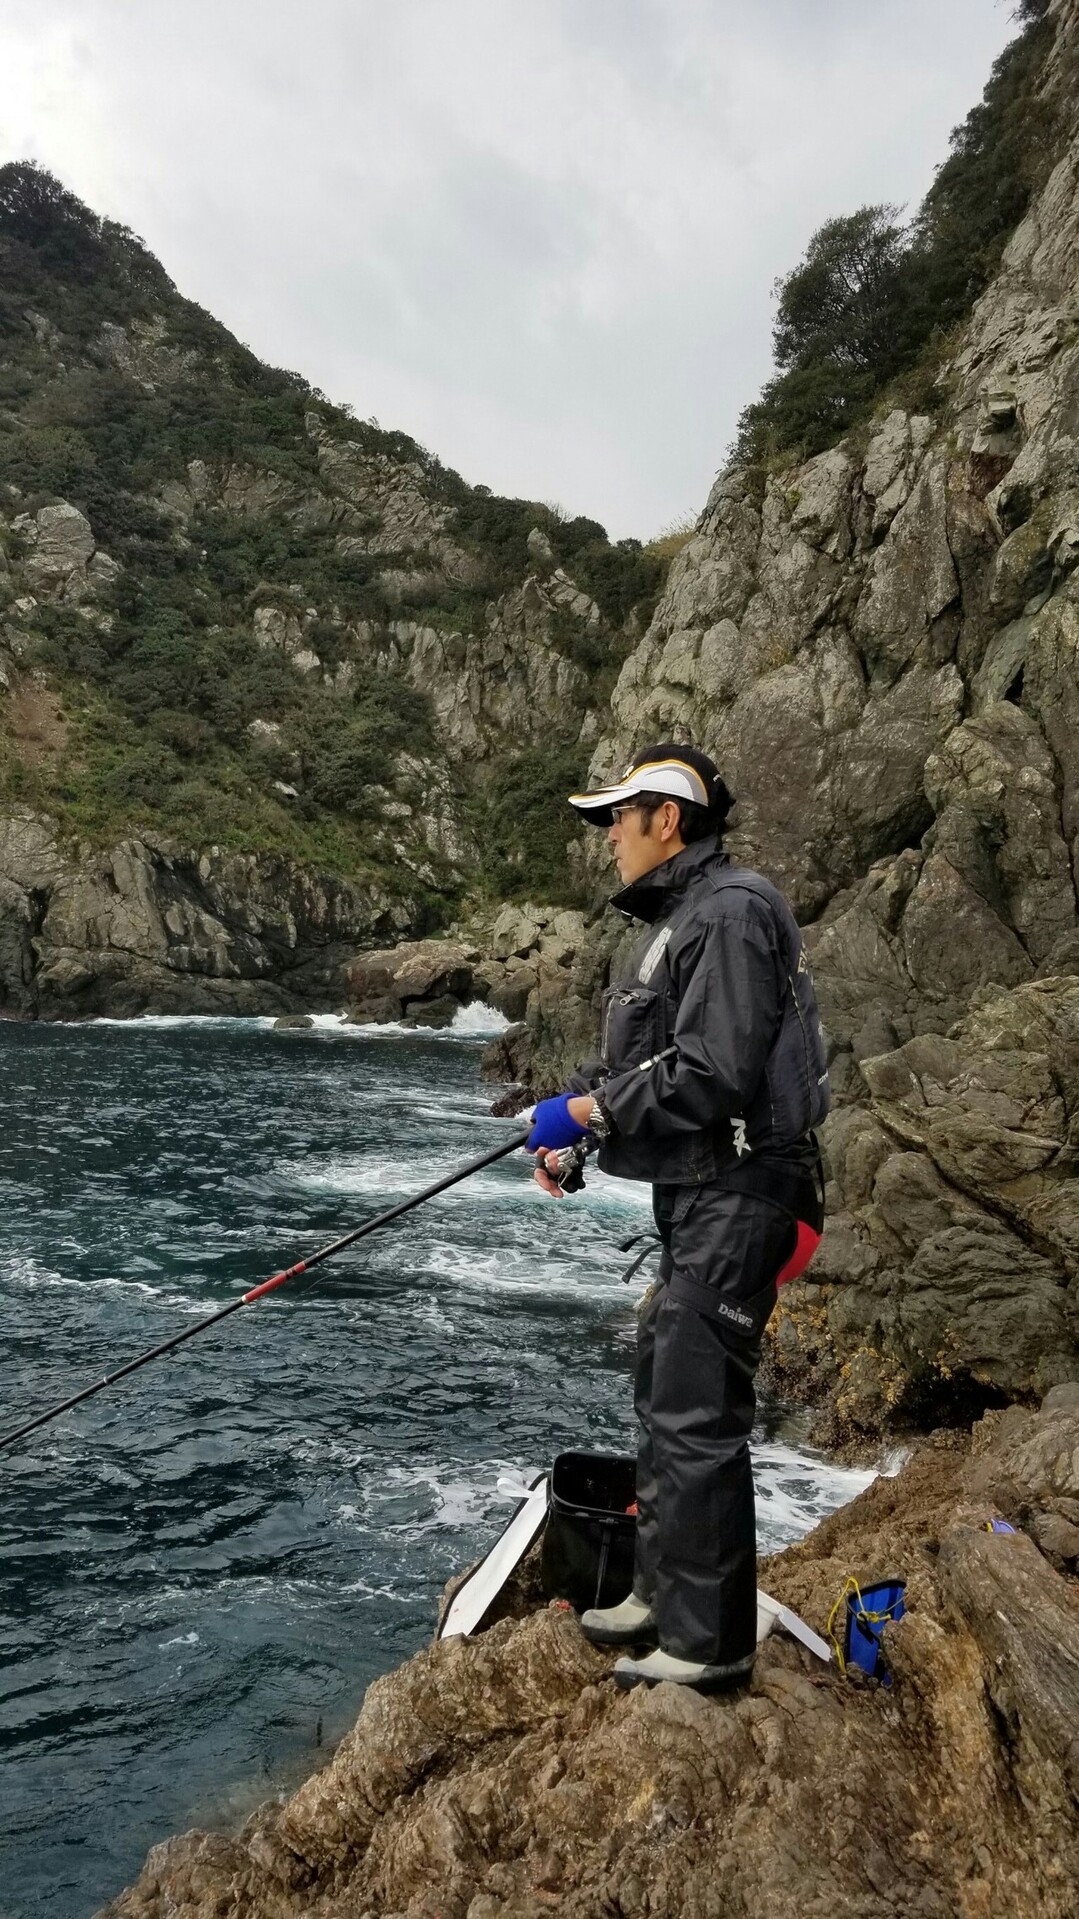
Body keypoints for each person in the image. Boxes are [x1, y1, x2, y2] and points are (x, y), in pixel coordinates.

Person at [525, 744, 829, 1694]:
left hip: (749, 1195)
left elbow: (713, 1071)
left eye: (618, 815)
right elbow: (637, 1064)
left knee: (695, 1411)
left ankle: (707, 1645)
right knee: (663, 1384)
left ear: (667, 817)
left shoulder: (732, 912)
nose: (608, 834)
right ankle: (661, 1591)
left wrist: (587, 1116)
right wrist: (569, 1125)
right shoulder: (678, 921)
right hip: (704, 1200)